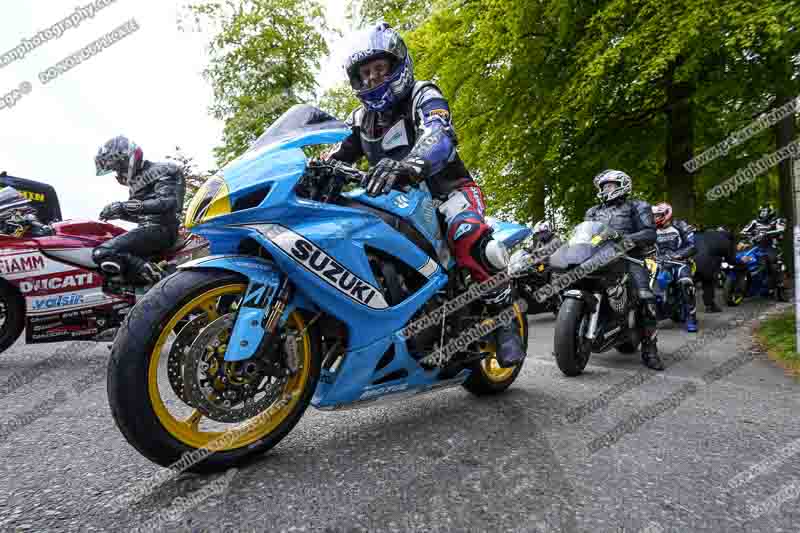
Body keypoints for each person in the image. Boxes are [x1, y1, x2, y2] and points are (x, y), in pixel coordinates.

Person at [323, 21, 525, 368]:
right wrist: (315, 170)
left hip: (446, 191)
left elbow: (439, 132)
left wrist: (413, 163)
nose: (371, 79)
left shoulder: (422, 93)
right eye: (365, 74)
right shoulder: (360, 118)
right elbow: (337, 155)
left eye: (378, 69)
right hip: (392, 200)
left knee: (467, 233)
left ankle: (504, 315)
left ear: (397, 65)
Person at [585, 170, 663, 370]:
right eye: (603, 186)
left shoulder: (638, 206)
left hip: (630, 258)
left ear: (623, 185)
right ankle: (570, 337)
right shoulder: (593, 211)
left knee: (646, 297)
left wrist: (625, 240)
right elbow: (586, 233)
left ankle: (650, 349)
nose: (606, 190)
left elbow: (649, 233)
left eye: (610, 185)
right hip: (597, 258)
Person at [92, 136, 185, 285]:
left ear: (126, 159)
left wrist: (123, 206)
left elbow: (167, 202)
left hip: (162, 229)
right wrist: (120, 213)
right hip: (150, 229)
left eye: (117, 167)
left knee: (104, 252)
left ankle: (163, 281)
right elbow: (143, 213)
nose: (117, 173)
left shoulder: (163, 169)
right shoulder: (137, 182)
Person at [652, 202, 698, 332]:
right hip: (658, 263)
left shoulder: (680, 226)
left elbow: (692, 245)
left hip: (680, 262)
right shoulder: (651, 230)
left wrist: (678, 255)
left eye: (658, 216)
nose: (655, 218)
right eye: (653, 216)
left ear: (666, 214)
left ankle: (691, 317)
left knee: (685, 282)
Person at [741, 205, 786, 297]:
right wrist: (748, 234)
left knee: (774, 264)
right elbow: (744, 231)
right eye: (762, 212)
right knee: (744, 259)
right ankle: (747, 284)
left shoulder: (778, 220)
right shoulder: (754, 222)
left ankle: (780, 286)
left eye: (765, 212)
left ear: (771, 213)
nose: (763, 214)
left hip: (772, 246)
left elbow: (781, 229)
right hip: (756, 246)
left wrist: (768, 233)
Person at [693, 226, 736, 312]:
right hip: (706, 263)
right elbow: (730, 259)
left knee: (690, 284)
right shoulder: (726, 240)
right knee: (708, 282)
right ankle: (709, 306)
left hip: (691, 260)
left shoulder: (703, 234)